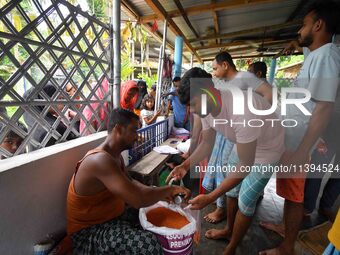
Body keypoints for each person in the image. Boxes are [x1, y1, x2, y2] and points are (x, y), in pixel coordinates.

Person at [166, 67, 285, 255]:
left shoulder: (242, 108)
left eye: (193, 104)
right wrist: (185, 165)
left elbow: (246, 165)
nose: (192, 110)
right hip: (245, 142)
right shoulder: (205, 108)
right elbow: (207, 144)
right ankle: (229, 230)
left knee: (245, 200)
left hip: (268, 149)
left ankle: (232, 246)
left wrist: (211, 197)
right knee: (231, 190)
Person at [260, 2, 340, 254]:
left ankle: (287, 247)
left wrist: (303, 150)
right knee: (290, 194)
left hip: (299, 144)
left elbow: (324, 108)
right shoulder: (316, 55)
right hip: (293, 140)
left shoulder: (327, 56)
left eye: (304, 24)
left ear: (318, 25)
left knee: (294, 197)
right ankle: (287, 234)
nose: (299, 30)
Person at [67, 108, 190, 255]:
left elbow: (131, 183)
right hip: (90, 233)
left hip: (112, 217)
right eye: (134, 130)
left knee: (156, 210)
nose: (137, 136)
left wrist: (156, 192)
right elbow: (138, 199)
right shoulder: (100, 160)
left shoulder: (114, 156)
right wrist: (168, 190)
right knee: (148, 244)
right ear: (118, 129)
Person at [203, 52, 273, 223]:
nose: (214, 72)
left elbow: (269, 94)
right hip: (226, 131)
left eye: (215, 68)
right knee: (221, 166)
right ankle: (222, 205)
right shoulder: (225, 83)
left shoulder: (244, 77)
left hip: (238, 134)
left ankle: (222, 210)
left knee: (228, 168)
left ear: (225, 65)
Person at [23, 84, 78, 150]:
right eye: (60, 99)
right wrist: (71, 121)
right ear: (44, 101)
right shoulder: (54, 127)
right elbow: (76, 141)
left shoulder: (32, 123)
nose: (63, 103)